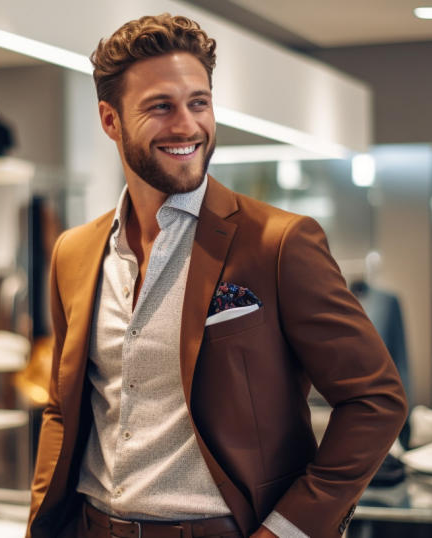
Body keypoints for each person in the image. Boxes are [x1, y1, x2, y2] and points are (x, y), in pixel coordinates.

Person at [27, 14, 407, 538]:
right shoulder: (73, 253)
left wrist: (290, 531)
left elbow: (375, 400)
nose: (187, 125)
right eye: (160, 106)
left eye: (198, 102)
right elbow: (63, 410)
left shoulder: (279, 242)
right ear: (110, 121)